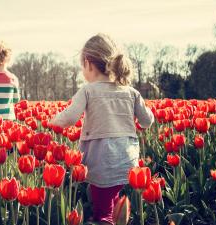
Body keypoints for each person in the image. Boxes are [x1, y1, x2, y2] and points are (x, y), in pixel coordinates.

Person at [49, 33, 154, 225]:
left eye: (82, 66)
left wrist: (52, 121)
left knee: (103, 213)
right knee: (113, 199)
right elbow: (147, 121)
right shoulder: (131, 92)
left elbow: (71, 117)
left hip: (101, 160)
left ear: (88, 63)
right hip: (127, 161)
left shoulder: (88, 90)